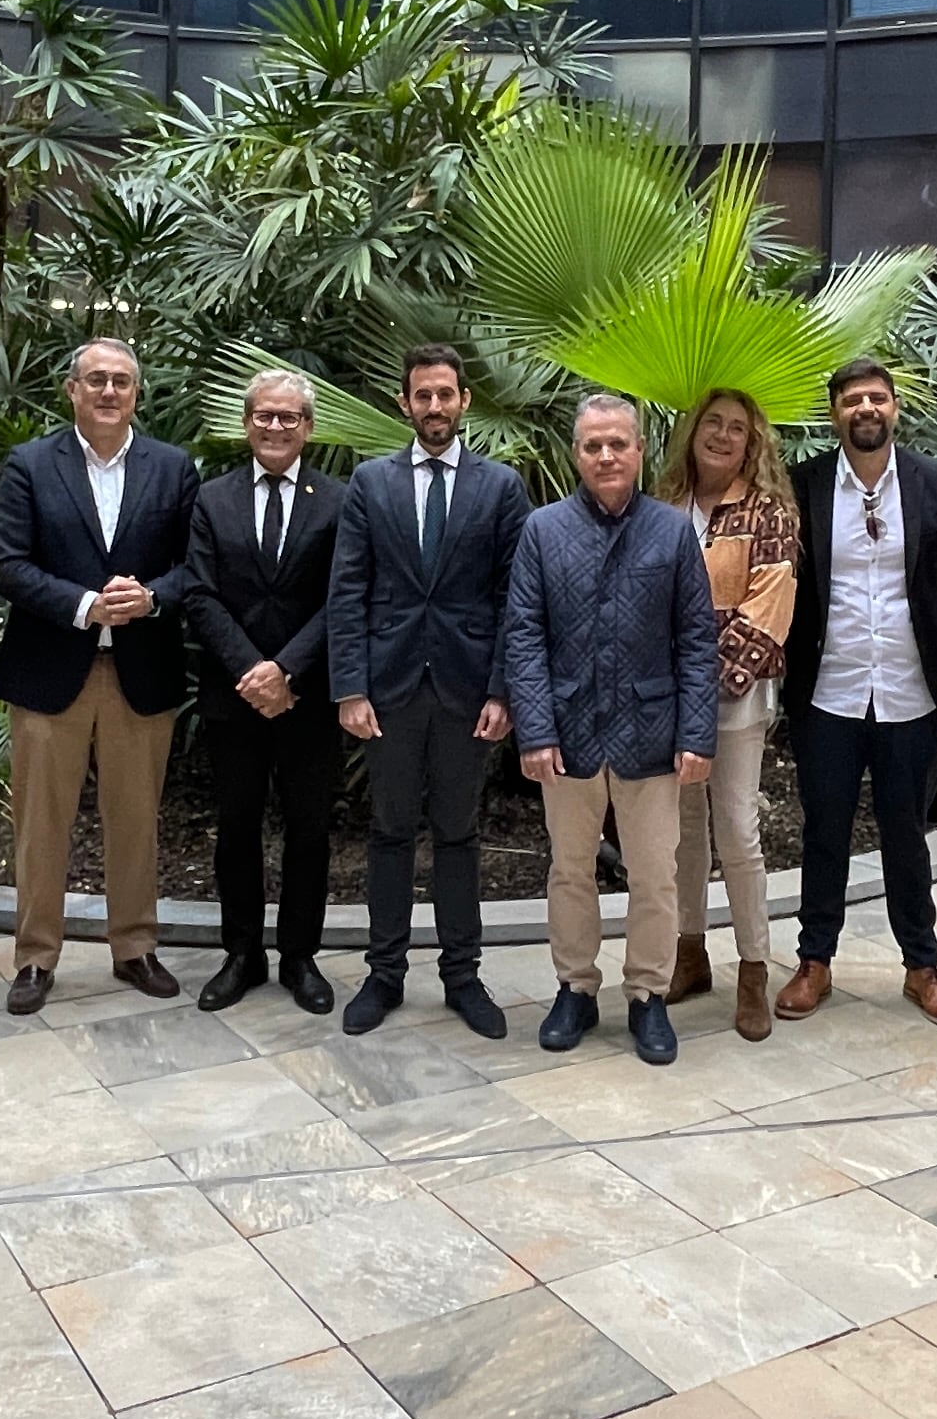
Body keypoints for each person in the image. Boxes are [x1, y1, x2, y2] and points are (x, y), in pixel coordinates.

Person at [503, 393, 719, 1065]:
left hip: (651, 733)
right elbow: (524, 635)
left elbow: (695, 637)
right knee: (571, 870)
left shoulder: (671, 530)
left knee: (655, 873)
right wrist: (535, 730)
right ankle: (576, 987)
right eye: (593, 445)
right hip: (567, 734)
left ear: (640, 448)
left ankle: (648, 995)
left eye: (617, 444)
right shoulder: (542, 530)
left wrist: (697, 734)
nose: (605, 456)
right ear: (577, 453)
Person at [0, 336, 199, 1014]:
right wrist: (82, 605)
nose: (109, 391)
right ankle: (35, 957)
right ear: (71, 390)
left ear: (137, 393)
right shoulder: (30, 464)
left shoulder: (172, 468)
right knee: (40, 823)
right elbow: (8, 562)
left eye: (122, 381)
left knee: (135, 819)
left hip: (141, 668)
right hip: (51, 669)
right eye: (96, 380)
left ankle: (134, 946)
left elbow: (196, 565)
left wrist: (154, 598)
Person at [326, 345, 528, 1038]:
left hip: (469, 691)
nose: (435, 407)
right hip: (388, 690)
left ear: (464, 401)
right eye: (422, 395)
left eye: (446, 394)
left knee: (458, 834)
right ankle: (384, 976)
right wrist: (349, 687)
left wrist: (504, 691)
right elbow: (347, 591)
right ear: (404, 403)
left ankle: (462, 977)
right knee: (387, 833)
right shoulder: (370, 483)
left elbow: (515, 600)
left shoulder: (501, 487)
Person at [778, 357, 937, 1029]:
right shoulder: (803, 486)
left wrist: (918, 636)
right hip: (827, 694)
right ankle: (814, 962)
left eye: (877, 398)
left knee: (906, 835)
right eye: (851, 400)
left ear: (895, 408)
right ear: (834, 414)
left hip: (909, 692)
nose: (866, 409)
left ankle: (922, 967)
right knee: (823, 833)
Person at [176, 370, 344, 1017]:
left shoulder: (338, 500)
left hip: (309, 695)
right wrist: (253, 670)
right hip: (233, 694)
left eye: (290, 417)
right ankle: (241, 953)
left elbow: (344, 595)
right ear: (246, 424)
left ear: (309, 427)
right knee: (237, 828)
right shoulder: (211, 499)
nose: (277, 426)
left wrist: (289, 671)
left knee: (308, 829)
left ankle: (300, 956)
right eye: (265, 416)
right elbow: (198, 592)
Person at [658, 388, 797, 1044]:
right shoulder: (659, 508)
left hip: (734, 697)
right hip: (665, 697)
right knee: (683, 830)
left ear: (752, 443)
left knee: (737, 831)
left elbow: (768, 611)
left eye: (735, 428)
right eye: (711, 422)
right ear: (692, 432)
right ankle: (690, 954)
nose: (721, 435)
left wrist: (700, 679)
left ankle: (752, 969)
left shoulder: (768, 512)